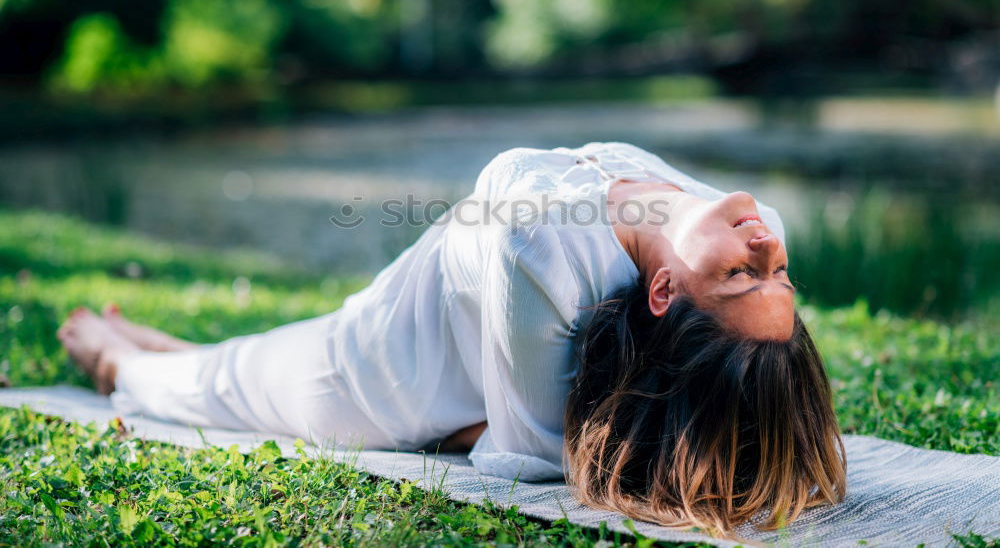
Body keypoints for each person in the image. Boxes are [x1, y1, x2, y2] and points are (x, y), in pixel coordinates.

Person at [58, 141, 846, 536]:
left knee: (218, 390)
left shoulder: (542, 244)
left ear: (668, 291)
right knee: (243, 363)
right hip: (415, 304)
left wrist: (449, 424)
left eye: (745, 277)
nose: (769, 253)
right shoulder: (757, 227)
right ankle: (174, 348)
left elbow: (532, 456)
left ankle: (118, 358)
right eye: (780, 278)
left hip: (385, 376)